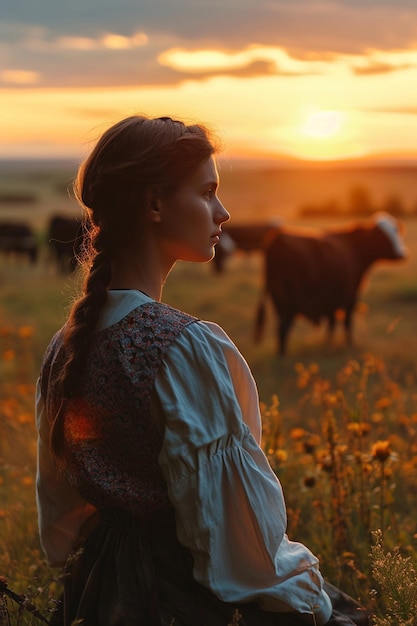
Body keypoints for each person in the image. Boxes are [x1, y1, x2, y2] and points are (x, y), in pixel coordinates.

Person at [35, 114, 368, 626]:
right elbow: (244, 555)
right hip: (180, 597)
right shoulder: (184, 347)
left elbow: (59, 518)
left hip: (97, 594)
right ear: (153, 203)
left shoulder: (64, 347)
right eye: (208, 192)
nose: (224, 212)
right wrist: (322, 607)